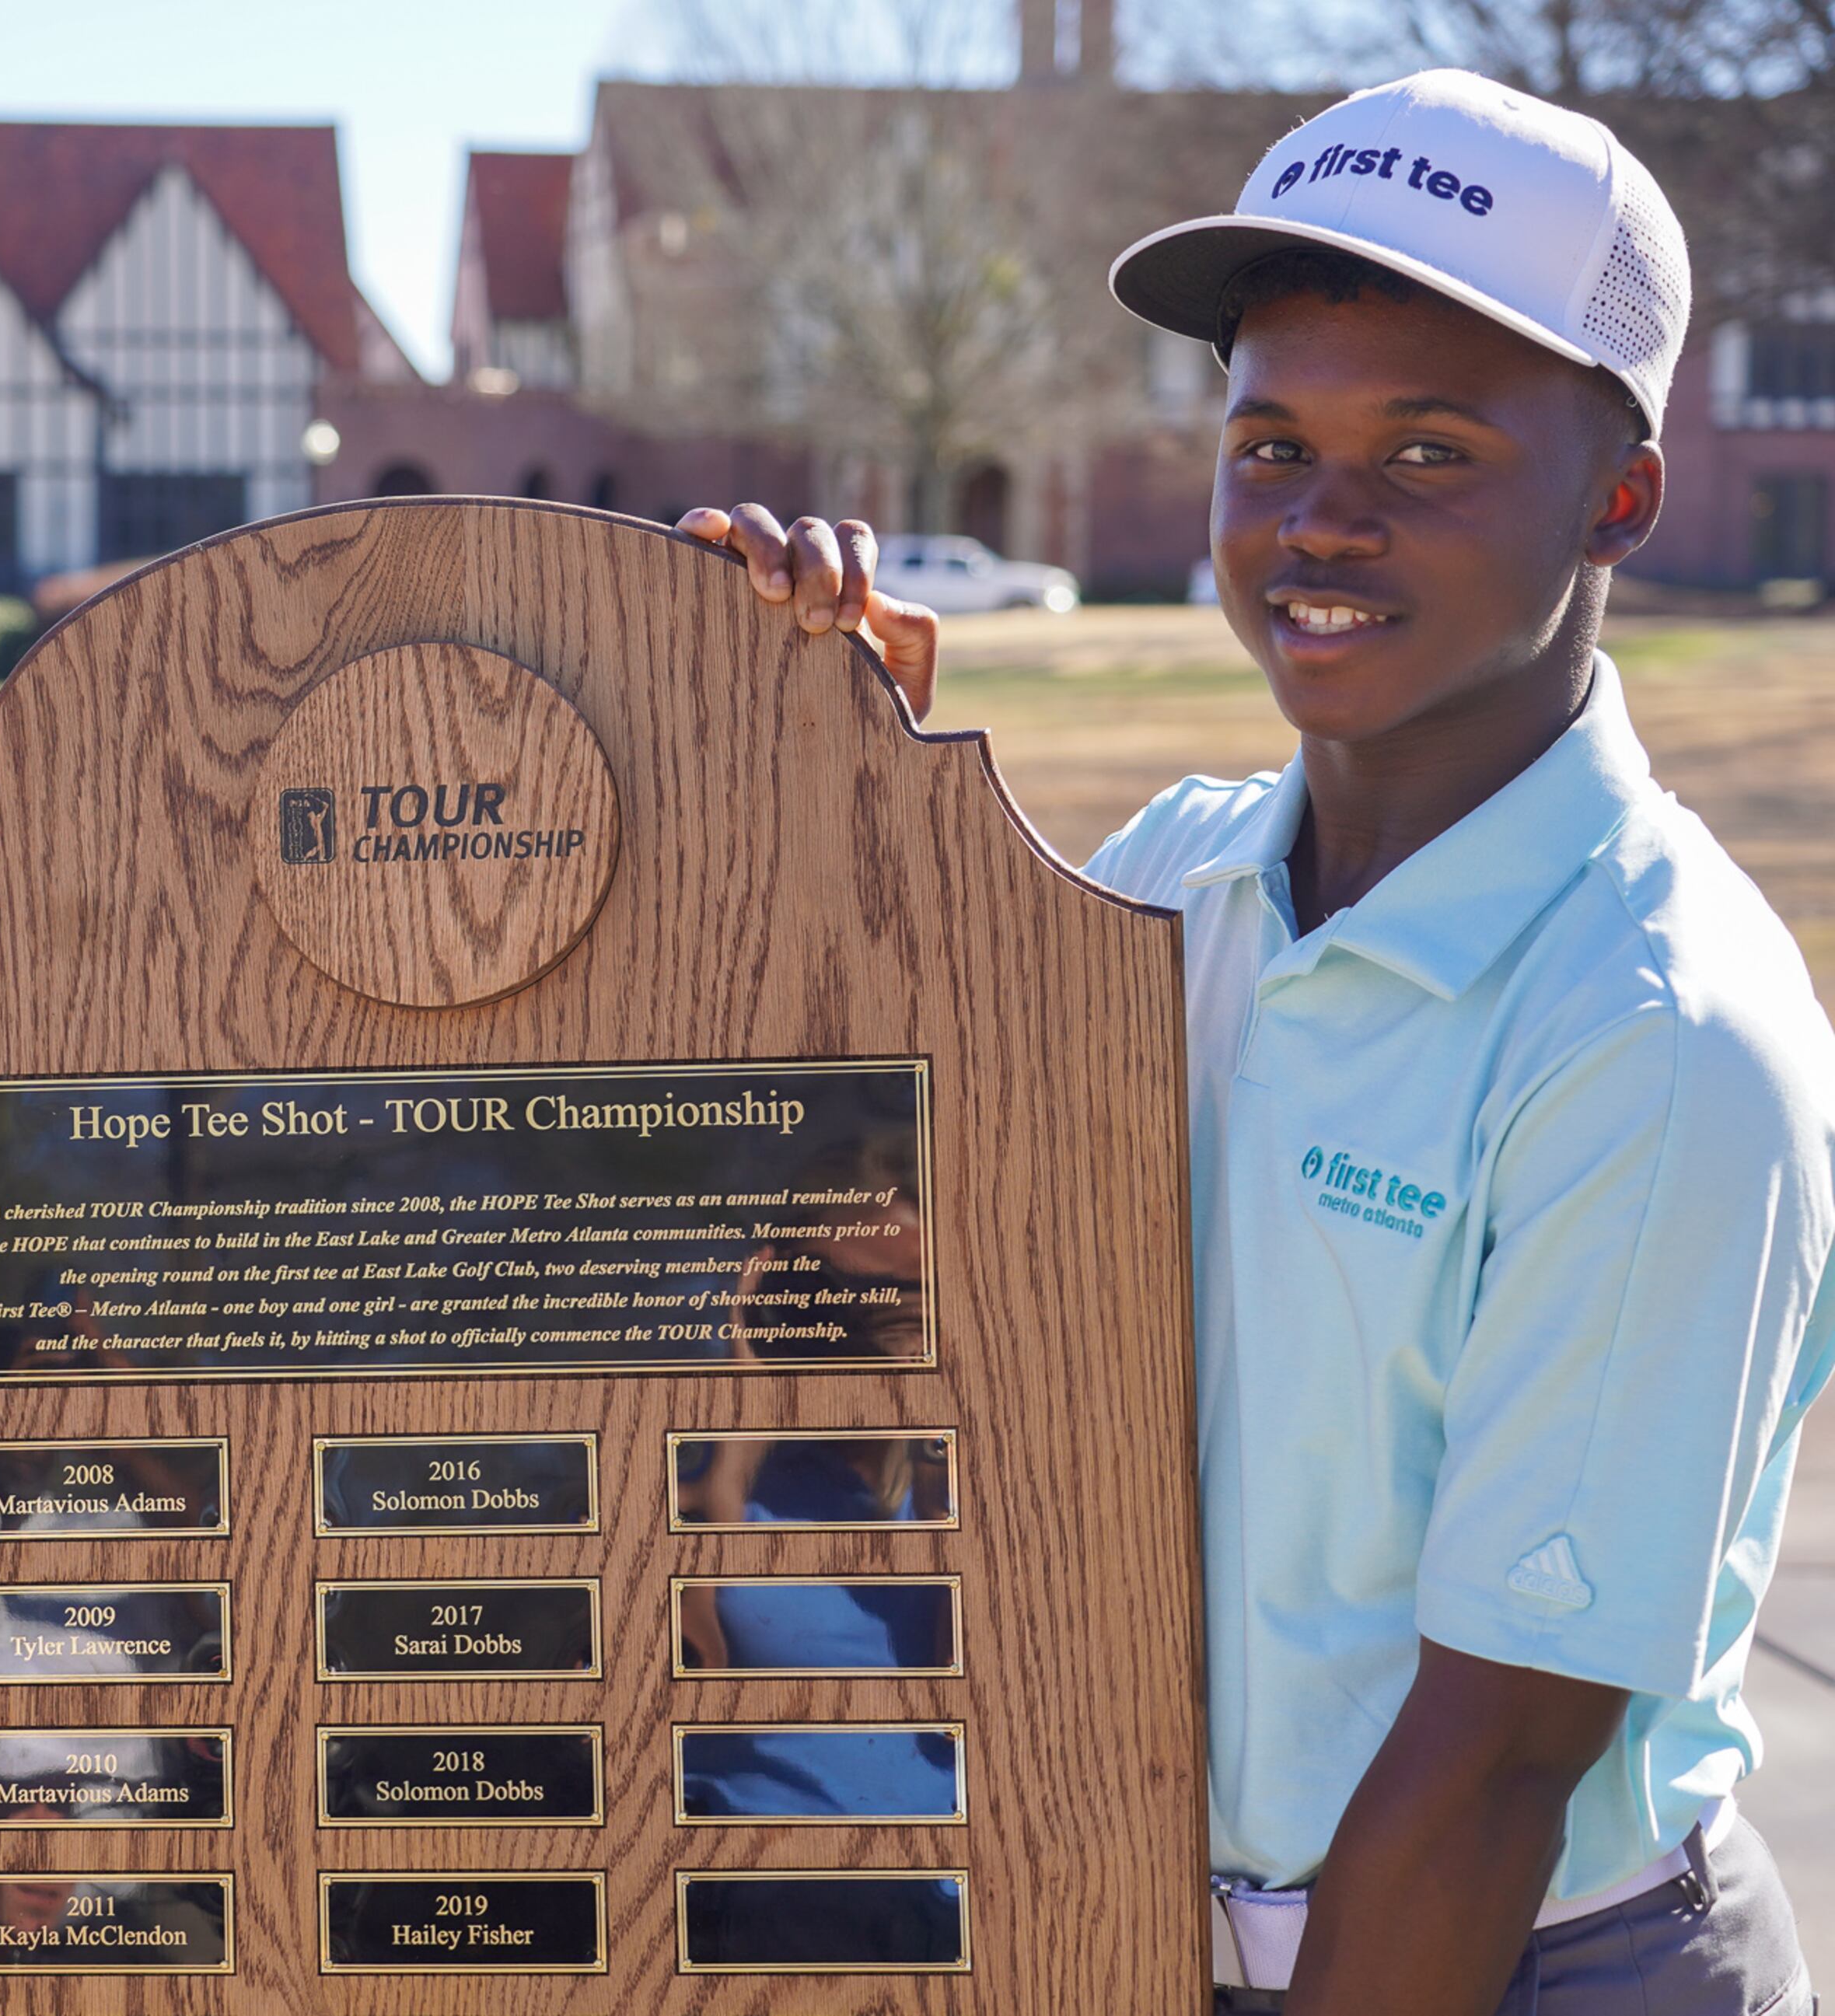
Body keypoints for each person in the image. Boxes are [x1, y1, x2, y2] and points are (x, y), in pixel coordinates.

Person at [686, 70, 1834, 2016]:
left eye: (1433, 452)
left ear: (1620, 495)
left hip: (1519, 1963)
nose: (1323, 519)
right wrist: (833, 799)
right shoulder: (1183, 878)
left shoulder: (1657, 1035)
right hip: (1166, 1930)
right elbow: (871, 1253)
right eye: (1272, 439)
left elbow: (1487, 1777)